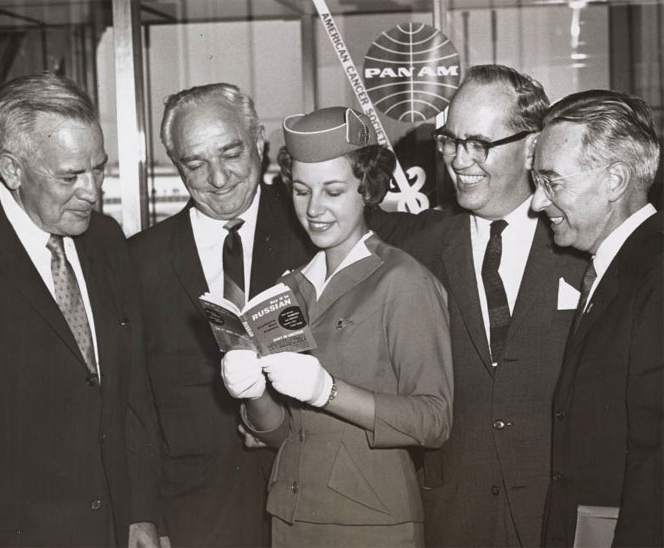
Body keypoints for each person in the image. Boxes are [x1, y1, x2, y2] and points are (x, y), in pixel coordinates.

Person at [371, 64, 589, 547]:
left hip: (559, 518)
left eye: (480, 144)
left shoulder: (580, 244)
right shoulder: (418, 254)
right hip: (453, 518)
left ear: (534, 145)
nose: (459, 160)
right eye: (450, 141)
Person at [220, 106, 453, 547]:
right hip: (290, 521)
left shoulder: (402, 281)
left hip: (371, 524)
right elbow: (286, 434)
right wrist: (253, 397)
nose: (314, 209)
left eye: (332, 191)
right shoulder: (290, 289)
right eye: (302, 191)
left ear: (366, 189)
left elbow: (434, 421)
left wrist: (328, 391)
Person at [0, 73, 160, 547]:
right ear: (12, 170)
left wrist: (140, 515)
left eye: (98, 169)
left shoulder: (107, 240)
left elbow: (130, 392)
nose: (92, 191)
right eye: (70, 176)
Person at [128, 83, 316, 547]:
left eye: (231, 153)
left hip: (311, 497)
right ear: (176, 165)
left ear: (259, 141)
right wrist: (143, 516)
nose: (217, 178)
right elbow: (132, 403)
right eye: (195, 163)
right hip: (197, 511)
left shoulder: (316, 232)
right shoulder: (139, 261)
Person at [532, 90, 663, 547]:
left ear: (615, 180)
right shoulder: (624, 264)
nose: (536, 202)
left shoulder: (656, 271)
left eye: (552, 182)